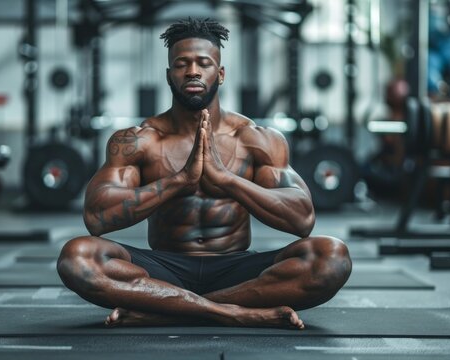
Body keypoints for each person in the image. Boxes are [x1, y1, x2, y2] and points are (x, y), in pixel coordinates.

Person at [57, 18, 352, 330]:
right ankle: (228, 312)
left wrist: (226, 179)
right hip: (163, 267)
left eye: (204, 63)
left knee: (331, 256)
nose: (193, 71)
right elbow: (96, 216)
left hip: (237, 268)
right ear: (169, 74)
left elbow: (303, 220)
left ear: (220, 73)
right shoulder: (139, 141)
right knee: (77, 257)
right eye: (182, 64)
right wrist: (179, 180)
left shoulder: (256, 139)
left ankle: (165, 308)